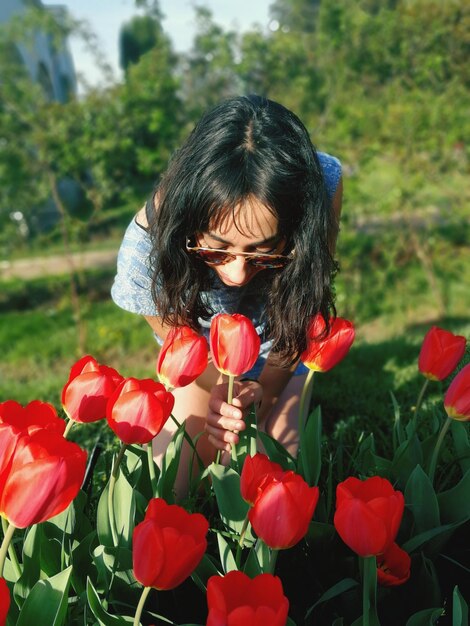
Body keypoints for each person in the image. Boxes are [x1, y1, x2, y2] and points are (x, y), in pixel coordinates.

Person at [111, 95, 342, 493]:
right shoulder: (146, 249)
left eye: (264, 251)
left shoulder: (318, 187)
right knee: (177, 485)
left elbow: (303, 302)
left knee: (279, 486)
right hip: (200, 364)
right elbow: (181, 347)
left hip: (281, 345)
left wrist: (266, 392)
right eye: (215, 250)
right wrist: (222, 396)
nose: (236, 274)